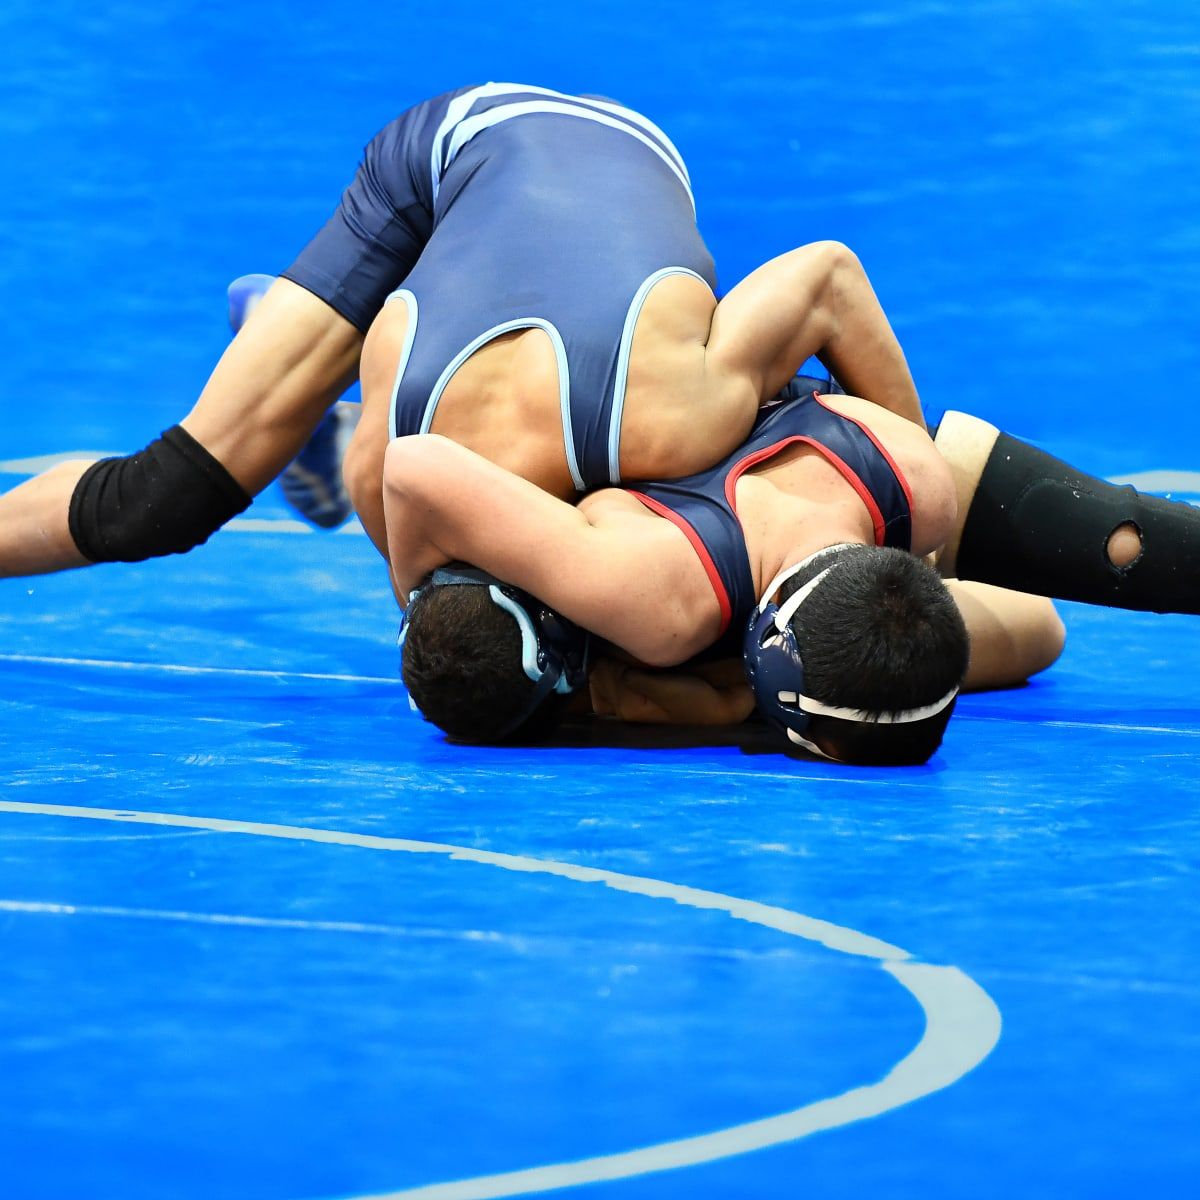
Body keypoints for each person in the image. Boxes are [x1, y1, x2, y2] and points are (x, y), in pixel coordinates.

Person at [0, 82, 923, 579]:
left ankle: (297, 372)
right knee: (166, 499)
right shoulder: (666, 419)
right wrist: (921, 529)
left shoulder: (405, 469)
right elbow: (830, 274)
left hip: (583, 193)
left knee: (382, 440)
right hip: (462, 154)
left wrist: (910, 516)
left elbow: (828, 279)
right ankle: (292, 359)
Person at [387, 380, 1200, 763]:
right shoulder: (636, 615)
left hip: (823, 472)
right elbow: (1038, 631)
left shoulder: (638, 599)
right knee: (1070, 604)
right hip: (846, 491)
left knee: (1121, 546)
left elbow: (407, 465)